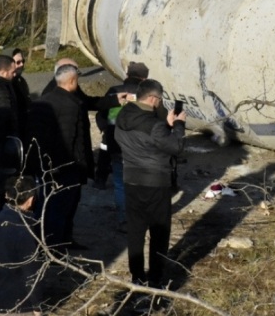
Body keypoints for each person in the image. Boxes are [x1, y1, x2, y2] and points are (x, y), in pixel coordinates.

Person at [115, 79, 186, 290]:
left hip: (131, 179)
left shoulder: (122, 115)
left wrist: (166, 126)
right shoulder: (154, 125)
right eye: (160, 100)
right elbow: (176, 147)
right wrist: (179, 125)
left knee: (135, 231)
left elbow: (147, 139)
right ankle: (155, 277)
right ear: (154, 98)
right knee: (159, 232)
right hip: (155, 182)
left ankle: (136, 275)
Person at [26, 63, 93, 250]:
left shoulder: (42, 101)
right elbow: (71, 140)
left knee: (46, 208)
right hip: (64, 168)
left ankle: (46, 245)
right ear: (72, 81)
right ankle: (55, 248)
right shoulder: (71, 106)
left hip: (45, 166)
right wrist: (77, 166)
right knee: (60, 210)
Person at [94, 61, 149, 231]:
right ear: (145, 78)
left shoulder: (114, 91)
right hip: (140, 147)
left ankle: (124, 220)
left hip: (115, 144)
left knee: (120, 183)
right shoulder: (147, 93)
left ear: (127, 75)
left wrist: (106, 130)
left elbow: (100, 113)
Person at [0, 175, 44, 316]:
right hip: (20, 306)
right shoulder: (24, 229)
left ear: (7, 195)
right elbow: (31, 273)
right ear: (31, 200)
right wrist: (37, 306)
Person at [11, 49, 32, 144]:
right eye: (18, 62)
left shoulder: (21, 81)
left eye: (23, 61)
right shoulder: (6, 85)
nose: (22, 64)